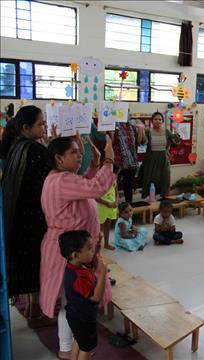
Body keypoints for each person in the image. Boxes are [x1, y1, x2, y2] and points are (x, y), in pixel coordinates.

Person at [40, 135, 115, 359]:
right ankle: (66, 348)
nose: (79, 154)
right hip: (68, 253)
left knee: (73, 302)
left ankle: (71, 346)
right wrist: (108, 161)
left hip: (71, 250)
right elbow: (95, 188)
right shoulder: (62, 181)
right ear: (59, 159)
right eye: (74, 152)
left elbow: (84, 186)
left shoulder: (60, 178)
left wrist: (94, 163)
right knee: (72, 305)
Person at [1, 105, 52, 327]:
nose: (44, 127)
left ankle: (32, 307)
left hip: (16, 215)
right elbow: (56, 173)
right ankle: (36, 312)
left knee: (28, 263)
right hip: (33, 217)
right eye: (40, 124)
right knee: (36, 263)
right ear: (25, 127)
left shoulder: (15, 146)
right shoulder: (35, 150)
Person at [59, 230, 107, 360]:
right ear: (76, 254)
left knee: (79, 341)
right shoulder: (78, 277)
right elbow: (96, 297)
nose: (92, 251)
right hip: (83, 319)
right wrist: (103, 274)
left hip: (76, 315)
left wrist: (97, 248)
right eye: (89, 249)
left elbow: (91, 261)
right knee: (86, 348)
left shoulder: (75, 265)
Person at [139, 112, 181, 199]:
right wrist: (141, 130)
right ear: (152, 121)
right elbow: (143, 142)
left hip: (164, 161)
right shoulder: (148, 131)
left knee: (164, 181)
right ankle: (151, 202)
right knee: (151, 182)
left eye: (160, 119)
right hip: (151, 162)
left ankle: (164, 202)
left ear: (162, 121)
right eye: (155, 119)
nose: (157, 121)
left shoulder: (166, 132)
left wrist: (175, 128)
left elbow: (176, 143)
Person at [113, 118, 146, 203]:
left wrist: (141, 129)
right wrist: (111, 133)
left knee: (128, 185)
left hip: (131, 160)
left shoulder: (132, 126)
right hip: (118, 161)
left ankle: (129, 207)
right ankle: (113, 207)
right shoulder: (114, 125)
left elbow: (138, 143)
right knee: (113, 185)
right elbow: (111, 142)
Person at [96, 164, 121, 250]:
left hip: (111, 206)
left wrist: (116, 202)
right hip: (102, 206)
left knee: (108, 224)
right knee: (99, 227)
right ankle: (97, 245)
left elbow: (117, 193)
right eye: (115, 173)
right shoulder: (100, 181)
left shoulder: (114, 180)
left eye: (117, 174)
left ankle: (106, 243)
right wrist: (106, 203)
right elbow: (96, 197)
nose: (116, 176)